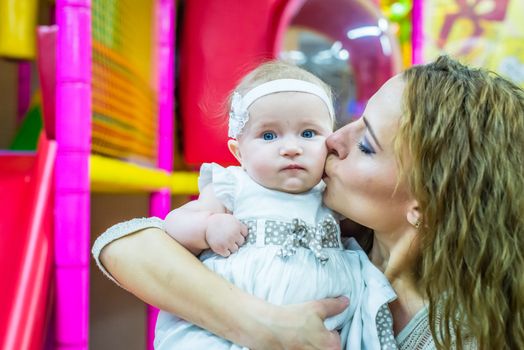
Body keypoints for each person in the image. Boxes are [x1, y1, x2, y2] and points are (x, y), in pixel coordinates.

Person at [92, 55, 524, 349]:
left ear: (425, 204)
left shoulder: (455, 334)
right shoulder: (343, 227)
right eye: (353, 120)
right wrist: (261, 324)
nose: (333, 140)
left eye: (366, 145)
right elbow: (121, 244)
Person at [95, 61, 397, 349]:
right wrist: (207, 226)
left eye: (308, 133)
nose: (291, 148)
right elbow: (174, 224)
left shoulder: (328, 191)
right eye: (268, 135)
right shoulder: (235, 184)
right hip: (234, 312)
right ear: (238, 152)